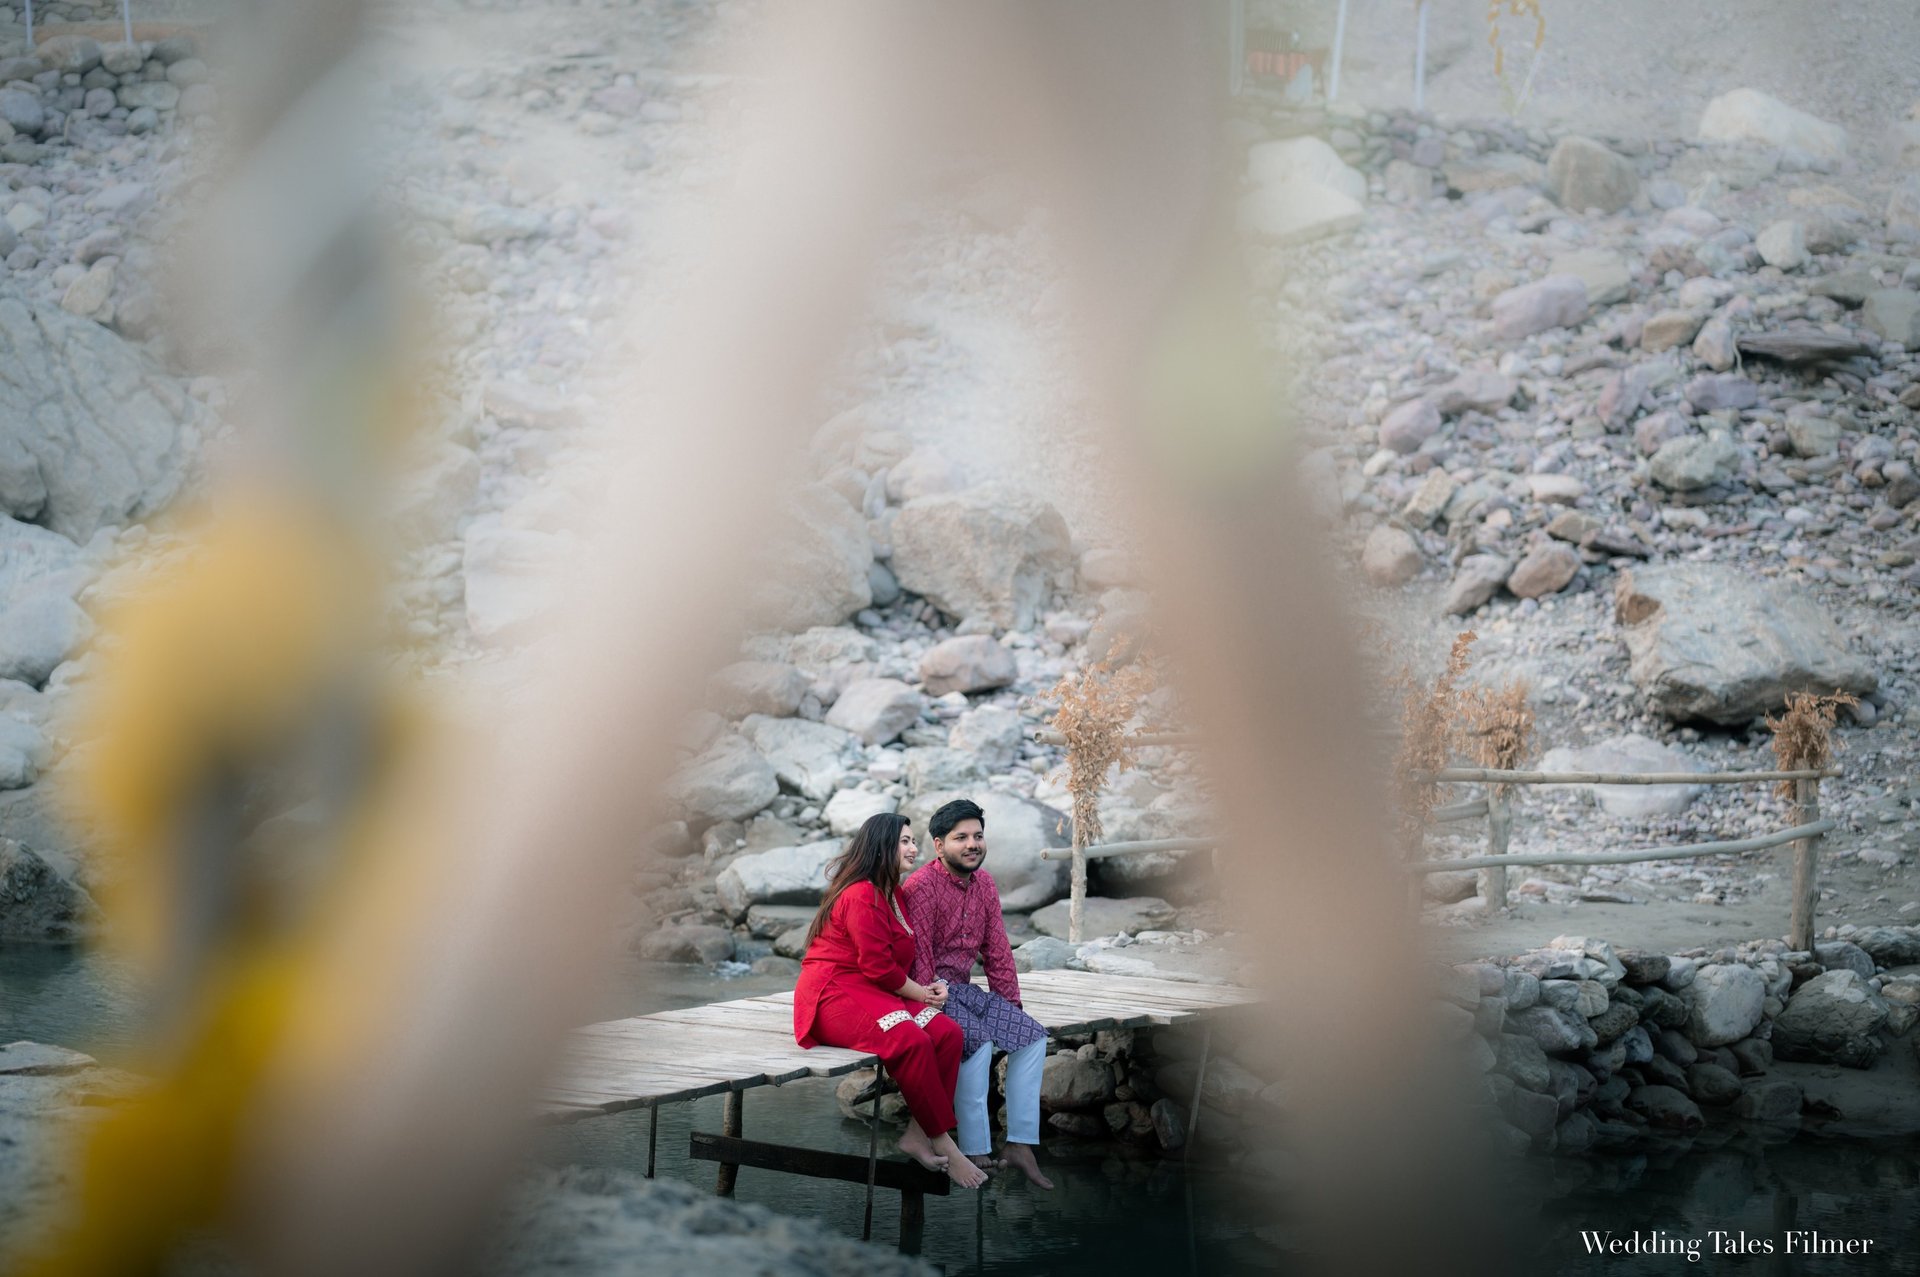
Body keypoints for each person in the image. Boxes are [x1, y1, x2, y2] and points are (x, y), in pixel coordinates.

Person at [792, 812, 988, 1189]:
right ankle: (944, 1138)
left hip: (875, 991)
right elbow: (878, 966)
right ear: (882, 846)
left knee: (947, 1033)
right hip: (834, 994)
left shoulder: (890, 891)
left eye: (914, 841)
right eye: (905, 841)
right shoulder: (860, 893)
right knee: (910, 1039)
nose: (914, 848)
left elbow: (895, 964)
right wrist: (923, 994)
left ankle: (917, 1133)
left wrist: (931, 989)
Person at [902, 798, 1053, 1189]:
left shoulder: (984, 883)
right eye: (961, 838)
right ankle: (974, 1148)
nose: (972, 844)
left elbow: (998, 949)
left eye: (978, 836)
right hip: (927, 992)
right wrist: (930, 1003)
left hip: (966, 991)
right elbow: (919, 958)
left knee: (1032, 1037)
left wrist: (1011, 1005)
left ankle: (1019, 1144)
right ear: (939, 845)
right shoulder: (921, 886)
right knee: (977, 1041)